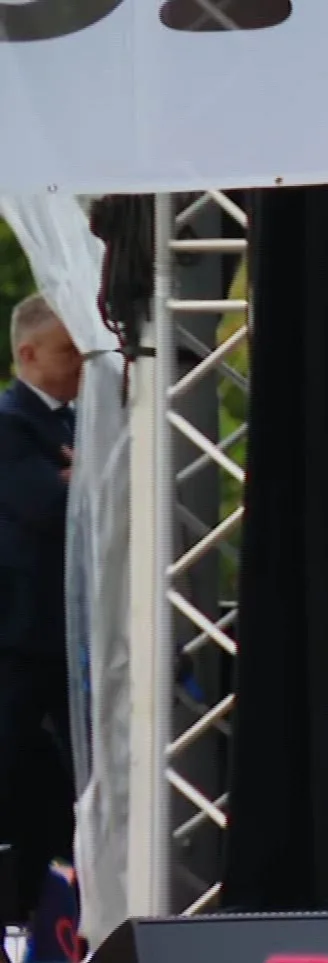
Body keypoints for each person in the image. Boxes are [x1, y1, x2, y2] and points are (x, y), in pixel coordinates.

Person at [0, 294, 82, 927]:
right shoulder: (9, 423)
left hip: (67, 637)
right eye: (65, 350)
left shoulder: (77, 423)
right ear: (26, 354)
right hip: (21, 642)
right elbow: (44, 506)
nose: (79, 361)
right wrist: (82, 478)